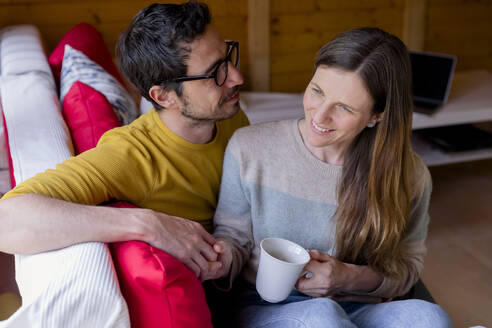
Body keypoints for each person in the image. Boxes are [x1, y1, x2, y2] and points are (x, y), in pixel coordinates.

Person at [0, 0, 247, 321]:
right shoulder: (130, 155)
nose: (237, 77)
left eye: (228, 55)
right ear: (163, 96)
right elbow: (7, 220)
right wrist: (145, 224)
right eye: (215, 73)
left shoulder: (227, 115)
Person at [211, 27, 453, 327]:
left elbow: (407, 268)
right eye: (317, 90)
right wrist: (219, 258)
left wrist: (347, 277)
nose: (319, 116)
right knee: (321, 317)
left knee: (428, 317)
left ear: (376, 115)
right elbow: (233, 239)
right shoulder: (250, 148)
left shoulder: (410, 174)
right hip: (267, 307)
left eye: (343, 107)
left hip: (356, 305)